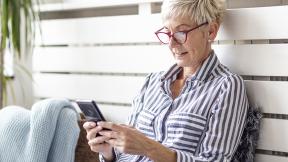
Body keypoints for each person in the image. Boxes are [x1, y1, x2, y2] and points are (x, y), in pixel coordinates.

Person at [83, 0, 248, 161]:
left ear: (211, 31)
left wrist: (149, 147)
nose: (171, 44)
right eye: (168, 33)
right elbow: (127, 153)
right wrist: (109, 152)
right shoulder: (152, 82)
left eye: (181, 33)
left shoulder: (226, 86)